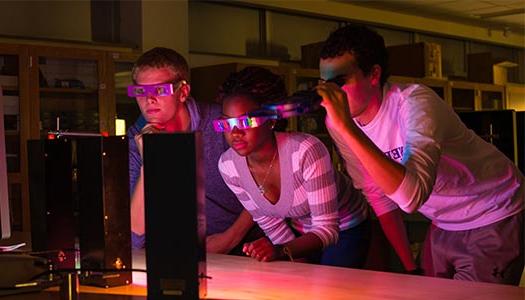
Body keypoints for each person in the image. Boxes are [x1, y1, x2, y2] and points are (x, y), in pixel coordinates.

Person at [316, 25, 524, 284]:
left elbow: (410, 196)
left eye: (338, 83)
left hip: (494, 208)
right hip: (444, 221)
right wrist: (409, 266)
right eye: (323, 84)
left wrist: (347, 128)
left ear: (373, 74)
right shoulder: (338, 123)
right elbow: (378, 195)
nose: (330, 96)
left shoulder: (415, 103)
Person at [216, 66, 370, 267]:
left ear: (270, 121)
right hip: (300, 229)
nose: (235, 132)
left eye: (247, 121)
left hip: (345, 227)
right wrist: (295, 261)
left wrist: (282, 251)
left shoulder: (306, 151)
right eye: (227, 123)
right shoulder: (228, 166)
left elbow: (327, 229)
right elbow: (268, 220)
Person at [127, 47, 262, 254]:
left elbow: (265, 184)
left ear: (183, 92)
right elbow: (135, 237)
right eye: (140, 91)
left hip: (244, 245)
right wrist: (151, 159)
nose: (149, 100)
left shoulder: (221, 123)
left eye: (160, 90)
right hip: (182, 253)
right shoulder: (136, 139)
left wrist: (229, 238)